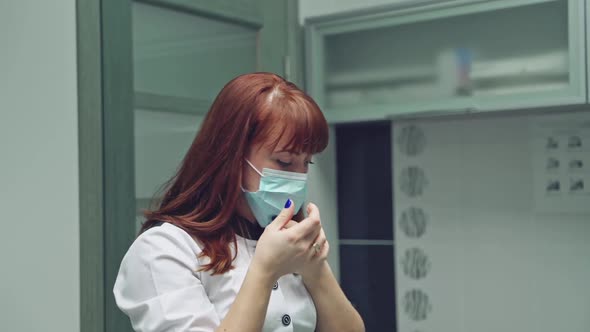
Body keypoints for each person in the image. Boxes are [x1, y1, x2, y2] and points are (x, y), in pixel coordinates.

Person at [113, 72, 365, 332]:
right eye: (284, 162)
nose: (297, 179)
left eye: (306, 164)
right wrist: (265, 270)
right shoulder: (163, 251)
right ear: (231, 156)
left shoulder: (291, 242)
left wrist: (315, 268)